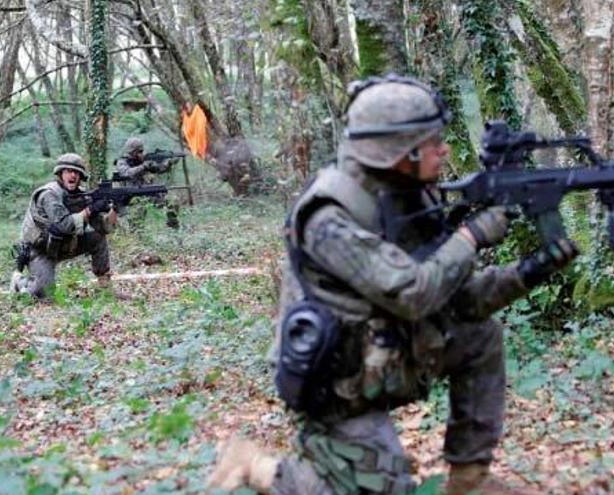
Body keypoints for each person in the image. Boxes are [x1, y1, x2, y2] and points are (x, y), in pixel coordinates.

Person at [207, 74, 579, 495]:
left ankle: (469, 479)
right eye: (434, 141)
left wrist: (528, 273)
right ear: (399, 150)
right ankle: (258, 466)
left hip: (388, 353)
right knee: (383, 490)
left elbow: (457, 300)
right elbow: (413, 294)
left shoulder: (409, 193)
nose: (446, 150)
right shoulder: (328, 216)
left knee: (479, 335)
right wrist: (471, 236)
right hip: (335, 380)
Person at [11, 153, 123, 300]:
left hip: (65, 244)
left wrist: (116, 207)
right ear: (60, 173)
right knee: (44, 294)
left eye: (76, 172)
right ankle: (19, 281)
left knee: (97, 236)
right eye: (68, 171)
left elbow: (105, 228)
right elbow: (64, 225)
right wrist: (91, 210)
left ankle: (105, 287)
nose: (73, 175)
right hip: (41, 249)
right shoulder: (49, 194)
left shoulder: (82, 196)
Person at [115, 136, 180, 229]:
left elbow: (159, 169)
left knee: (172, 200)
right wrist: (143, 166)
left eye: (142, 151)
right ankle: (136, 236)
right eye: (140, 152)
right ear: (133, 152)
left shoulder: (143, 160)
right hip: (132, 197)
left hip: (149, 193)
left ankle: (173, 226)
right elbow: (127, 173)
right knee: (137, 217)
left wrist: (169, 163)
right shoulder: (122, 162)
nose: (142, 154)